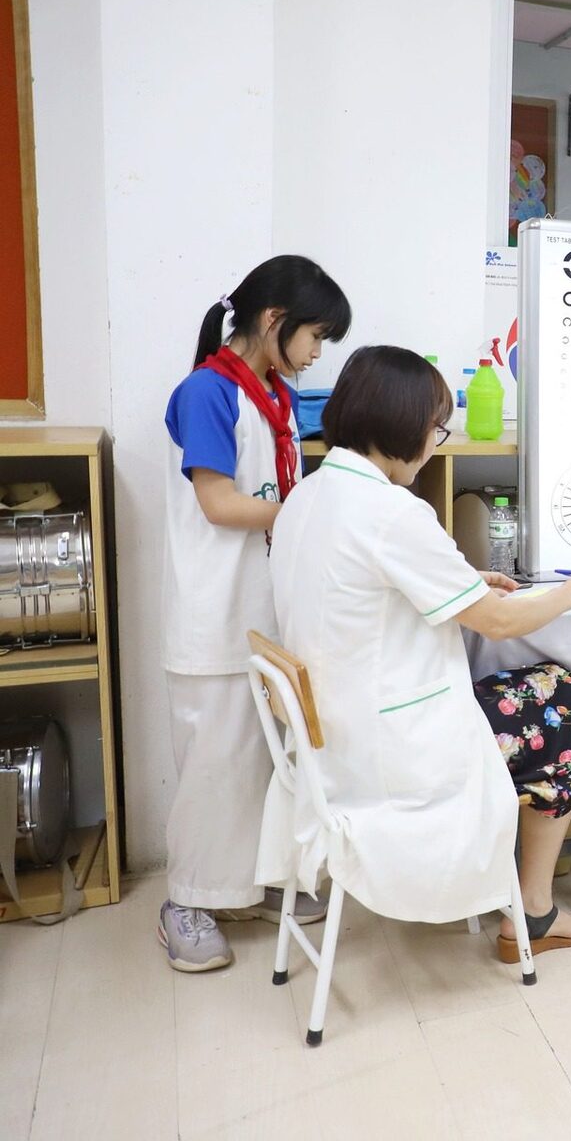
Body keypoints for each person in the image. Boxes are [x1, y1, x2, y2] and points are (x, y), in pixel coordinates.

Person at [260, 345, 571, 960]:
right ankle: (540, 903)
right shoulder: (391, 512)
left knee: (553, 687)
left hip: (335, 740)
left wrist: (462, 581)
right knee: (564, 709)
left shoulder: (310, 495)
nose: (436, 444)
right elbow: (500, 623)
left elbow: (353, 588)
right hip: (395, 754)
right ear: (403, 425)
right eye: (436, 429)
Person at [159, 255, 352, 972]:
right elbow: (219, 503)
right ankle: (185, 902)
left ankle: (254, 882)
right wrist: (309, 512)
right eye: (315, 336)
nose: (317, 352)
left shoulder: (274, 396)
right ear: (274, 320)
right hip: (213, 613)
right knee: (213, 767)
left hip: (266, 608)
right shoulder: (206, 392)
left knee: (266, 759)